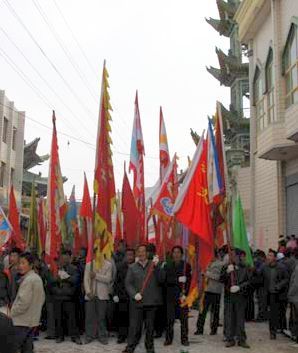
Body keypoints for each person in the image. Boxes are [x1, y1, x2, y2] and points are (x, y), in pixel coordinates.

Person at [123, 244, 164, 353]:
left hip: (151, 302)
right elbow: (128, 283)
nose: (141, 253)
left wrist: (157, 266)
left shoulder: (153, 265)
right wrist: (134, 294)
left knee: (150, 328)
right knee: (134, 327)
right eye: (139, 251)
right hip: (137, 303)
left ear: (147, 253)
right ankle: (130, 347)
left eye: (143, 251)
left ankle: (150, 348)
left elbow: (161, 279)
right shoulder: (132, 267)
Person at [11, 252, 45, 353]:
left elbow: (23, 303)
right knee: (27, 348)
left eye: (23, 263)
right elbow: (42, 298)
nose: (20, 266)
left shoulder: (29, 280)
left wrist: (11, 313)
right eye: (19, 263)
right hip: (31, 321)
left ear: (31, 265)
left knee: (16, 348)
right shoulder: (36, 278)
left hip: (21, 321)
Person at [50, 250, 82, 344]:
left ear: (70, 257)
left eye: (67, 257)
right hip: (58, 297)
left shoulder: (74, 268)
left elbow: (75, 280)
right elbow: (51, 282)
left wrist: (67, 277)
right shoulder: (55, 268)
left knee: (72, 319)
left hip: (69, 297)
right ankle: (60, 336)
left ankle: (75, 336)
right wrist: (58, 291)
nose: (64, 259)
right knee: (58, 318)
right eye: (63, 257)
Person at [221, 250, 251, 348]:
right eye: (231, 255)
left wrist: (240, 287)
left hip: (240, 296)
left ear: (238, 257)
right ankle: (230, 339)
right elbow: (221, 279)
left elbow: (249, 281)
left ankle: (241, 339)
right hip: (229, 296)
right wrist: (226, 272)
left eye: (234, 255)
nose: (232, 257)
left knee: (240, 318)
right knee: (229, 318)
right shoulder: (227, 267)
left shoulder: (245, 267)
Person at [163, 246, 191, 347]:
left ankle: (184, 339)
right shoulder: (167, 265)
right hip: (170, 296)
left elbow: (189, 282)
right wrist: (177, 279)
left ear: (182, 254)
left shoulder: (186, 266)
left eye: (178, 252)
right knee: (169, 319)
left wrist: (185, 294)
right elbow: (165, 280)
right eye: (174, 252)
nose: (176, 254)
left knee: (184, 320)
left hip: (182, 297)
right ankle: (168, 339)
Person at [84, 251, 113, 345]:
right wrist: (88, 292)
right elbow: (85, 279)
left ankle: (102, 336)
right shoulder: (89, 264)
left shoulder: (108, 265)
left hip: (102, 295)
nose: (97, 255)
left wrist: (96, 276)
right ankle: (89, 336)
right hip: (90, 295)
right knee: (89, 317)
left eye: (100, 253)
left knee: (101, 317)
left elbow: (108, 279)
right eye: (96, 253)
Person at [260, 249, 289, 340]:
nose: (268, 257)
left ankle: (276, 329)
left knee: (276, 313)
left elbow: (286, 279)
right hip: (268, 293)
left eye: (270, 255)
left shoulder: (282, 267)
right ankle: (273, 330)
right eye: (268, 255)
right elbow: (258, 276)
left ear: (275, 258)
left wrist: (279, 286)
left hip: (277, 294)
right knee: (269, 313)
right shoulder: (264, 267)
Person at [195, 250, 224, 335]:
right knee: (202, 311)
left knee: (215, 312)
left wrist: (206, 273)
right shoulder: (207, 263)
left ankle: (214, 329)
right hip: (206, 290)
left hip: (215, 291)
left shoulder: (221, 264)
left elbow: (219, 277)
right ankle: (199, 329)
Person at [113, 248, 136, 343]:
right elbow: (116, 282)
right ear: (125, 256)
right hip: (122, 297)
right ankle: (122, 336)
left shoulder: (137, 267)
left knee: (133, 318)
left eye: (131, 255)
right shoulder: (120, 267)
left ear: (134, 256)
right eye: (128, 255)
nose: (129, 257)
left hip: (134, 297)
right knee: (122, 317)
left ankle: (132, 337)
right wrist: (115, 294)